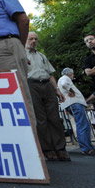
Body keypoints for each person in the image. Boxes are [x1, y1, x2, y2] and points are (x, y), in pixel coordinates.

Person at [26, 32, 70, 161]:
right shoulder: (22, 55)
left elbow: (50, 74)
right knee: (40, 119)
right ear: (26, 40)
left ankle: (60, 149)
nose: (34, 41)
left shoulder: (41, 56)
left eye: (35, 39)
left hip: (47, 85)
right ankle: (48, 150)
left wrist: (57, 90)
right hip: (32, 84)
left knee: (55, 117)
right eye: (31, 39)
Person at [58, 68, 95, 155]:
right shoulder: (65, 78)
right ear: (70, 73)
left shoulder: (63, 78)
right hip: (74, 103)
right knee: (83, 125)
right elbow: (64, 84)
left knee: (84, 124)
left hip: (73, 104)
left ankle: (87, 147)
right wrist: (71, 90)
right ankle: (86, 148)